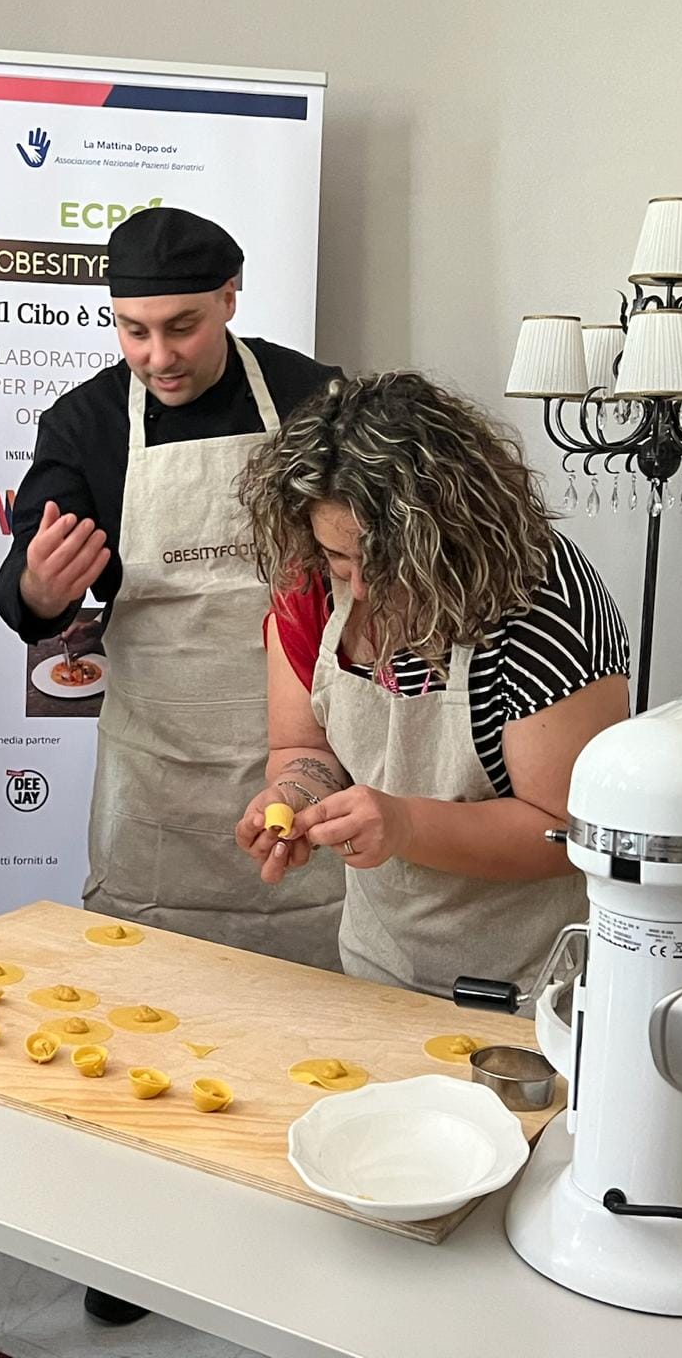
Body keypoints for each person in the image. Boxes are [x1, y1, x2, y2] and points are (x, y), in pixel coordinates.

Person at [0, 205, 344, 1325]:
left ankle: (305, 1221)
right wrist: (40, 592)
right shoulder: (90, 419)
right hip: (156, 767)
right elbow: (22, 592)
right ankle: (127, 1249)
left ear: (233, 296)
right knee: (142, 1006)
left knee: (309, 1015)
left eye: (181, 326)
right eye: (133, 330)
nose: (157, 355)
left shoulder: (316, 401)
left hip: (305, 753)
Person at [234, 373, 630, 1002]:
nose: (358, 589)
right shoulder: (310, 587)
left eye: (383, 564)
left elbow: (568, 832)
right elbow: (303, 747)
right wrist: (293, 793)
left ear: (449, 537)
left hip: (532, 986)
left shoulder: (538, 601)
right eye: (341, 559)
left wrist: (407, 826)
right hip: (380, 965)